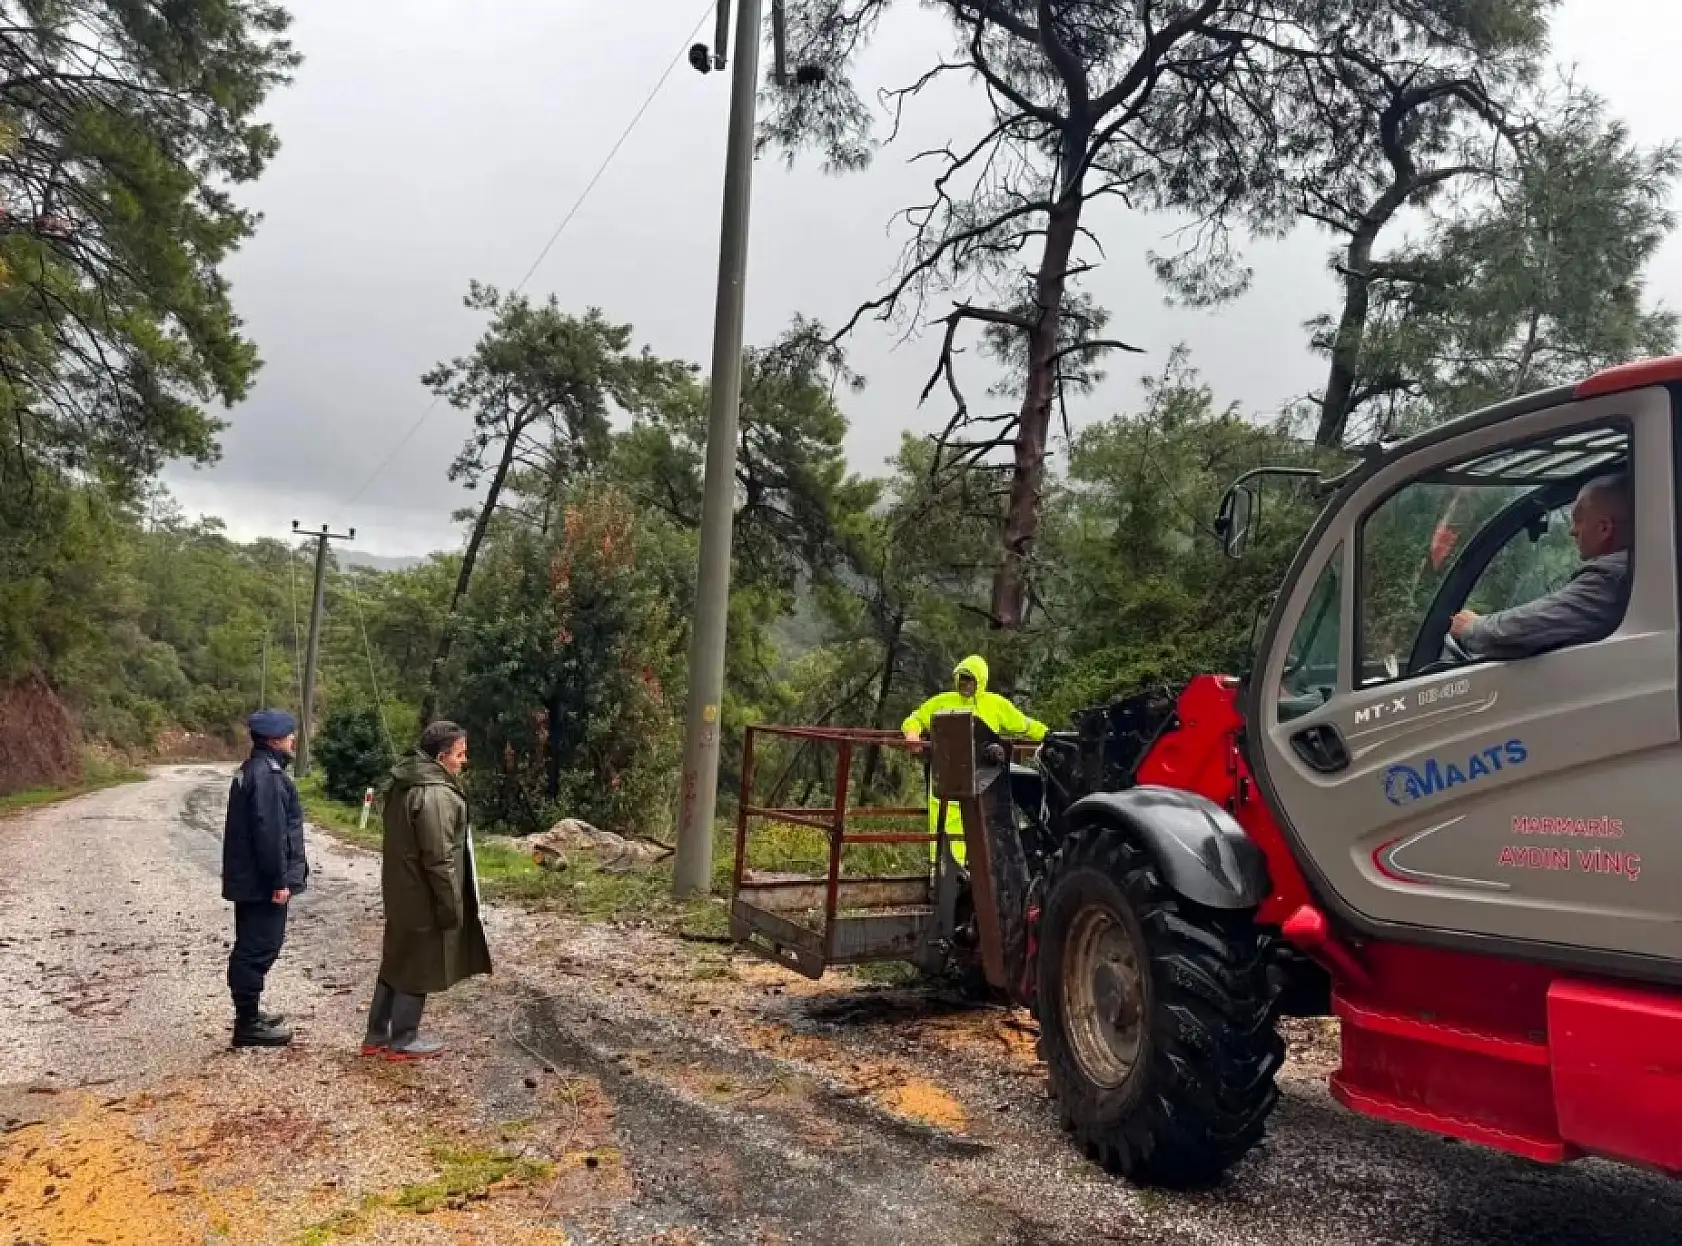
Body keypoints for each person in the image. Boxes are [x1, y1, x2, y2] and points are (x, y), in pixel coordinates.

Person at [361, 720, 491, 1061]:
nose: (464, 760)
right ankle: (403, 1039)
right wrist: (452, 904)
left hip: (402, 891)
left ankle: (376, 1036)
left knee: (396, 959)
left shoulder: (404, 782)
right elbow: (440, 857)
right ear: (442, 756)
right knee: (417, 964)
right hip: (422, 895)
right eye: (461, 754)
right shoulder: (434, 793)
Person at [1451, 472, 1632, 662]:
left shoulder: (1613, 577)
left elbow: (1530, 626)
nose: (1573, 531)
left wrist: (1472, 628)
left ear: (1604, 528)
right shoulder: (1633, 569)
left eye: (1579, 519)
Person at [901, 655, 1047, 866]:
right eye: (961, 678)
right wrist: (912, 735)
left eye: (969, 679)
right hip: (950, 779)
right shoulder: (942, 701)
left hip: (985, 781)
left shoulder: (996, 705)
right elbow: (915, 718)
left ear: (980, 681)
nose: (964, 683)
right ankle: (943, 878)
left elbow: (1025, 725)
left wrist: (1049, 736)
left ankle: (978, 877)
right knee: (945, 832)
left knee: (985, 831)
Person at [222, 708, 308, 1048]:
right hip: (261, 883)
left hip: (251, 880)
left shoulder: (254, 770)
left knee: (253, 945)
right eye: (288, 736)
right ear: (274, 740)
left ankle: (250, 1013)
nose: (292, 741)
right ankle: (247, 1024)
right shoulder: (268, 777)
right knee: (258, 948)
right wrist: (279, 881)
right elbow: (270, 835)